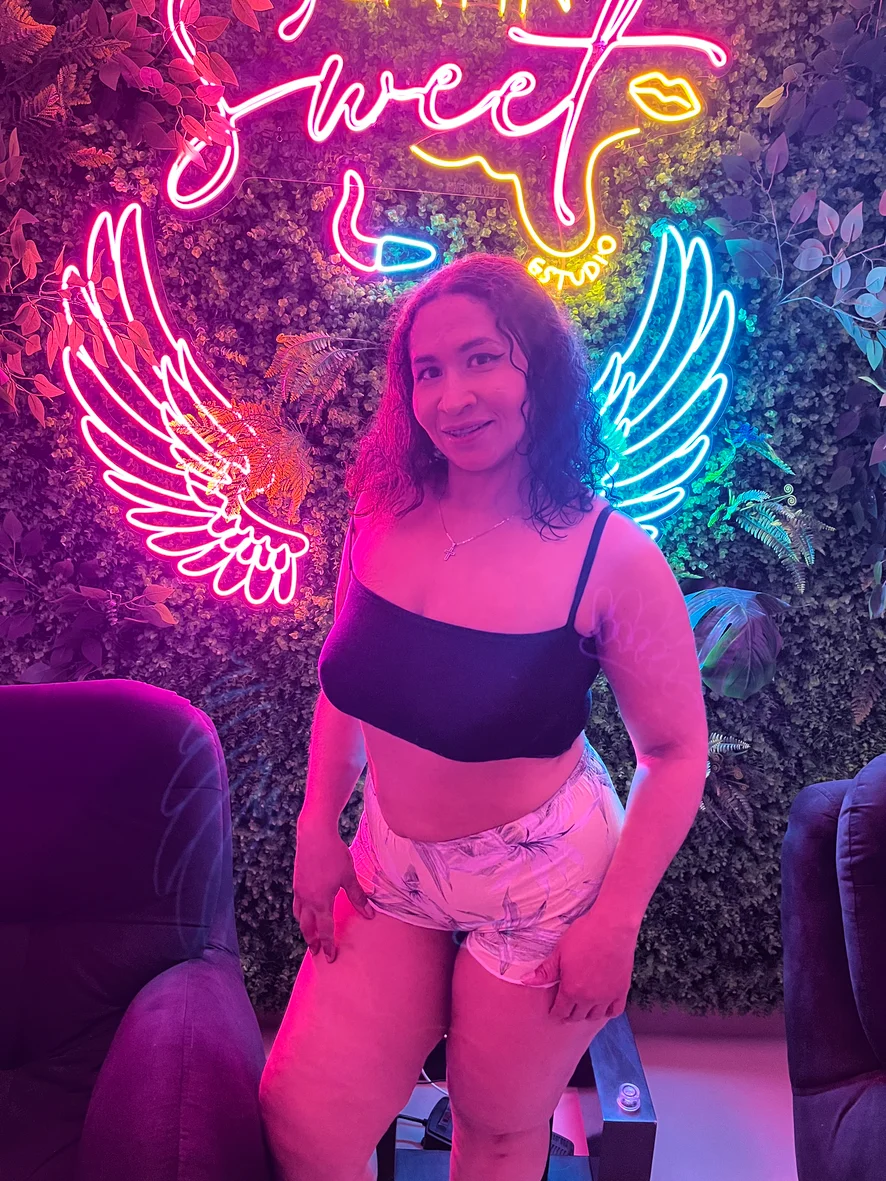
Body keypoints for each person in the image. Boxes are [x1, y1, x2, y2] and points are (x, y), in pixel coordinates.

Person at [259, 254, 708, 1181]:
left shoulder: (611, 558)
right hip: (391, 859)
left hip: (542, 879)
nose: (452, 396)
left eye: (482, 359)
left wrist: (617, 921)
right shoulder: (379, 513)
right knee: (302, 1116)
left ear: (538, 367)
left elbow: (675, 753)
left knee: (496, 1130)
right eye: (428, 370)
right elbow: (347, 683)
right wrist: (317, 821)